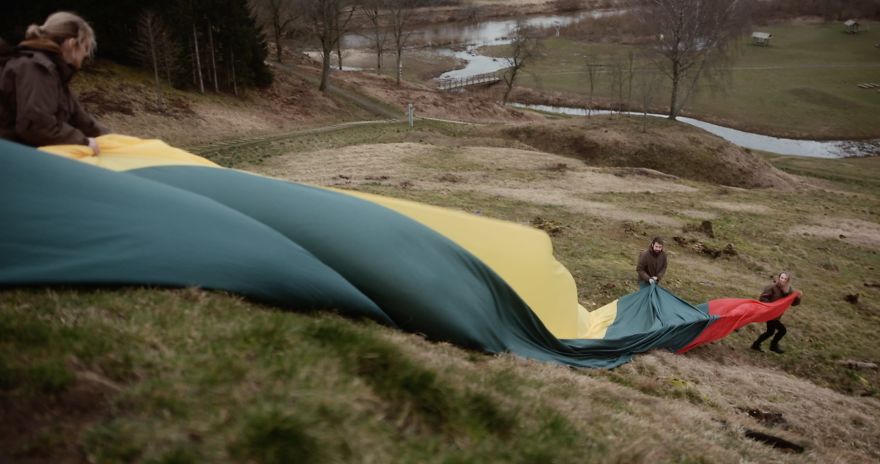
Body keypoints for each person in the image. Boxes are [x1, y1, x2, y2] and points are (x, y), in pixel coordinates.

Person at [0, 12, 107, 153]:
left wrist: (113, 138)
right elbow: (36, 126)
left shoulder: (56, 74)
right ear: (72, 44)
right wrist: (83, 142)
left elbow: (82, 121)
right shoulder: (36, 68)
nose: (86, 55)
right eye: (85, 48)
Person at [751, 271, 802, 354]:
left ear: (787, 280)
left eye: (785, 279)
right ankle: (773, 346)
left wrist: (798, 298)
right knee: (782, 330)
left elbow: (793, 303)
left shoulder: (789, 290)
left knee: (770, 332)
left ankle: (756, 344)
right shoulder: (772, 287)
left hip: (777, 315)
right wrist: (772, 306)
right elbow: (762, 298)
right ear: (779, 278)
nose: (783, 280)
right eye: (782, 278)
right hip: (770, 313)